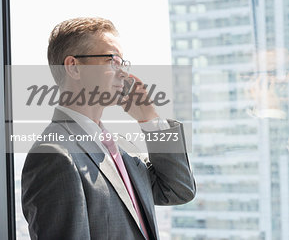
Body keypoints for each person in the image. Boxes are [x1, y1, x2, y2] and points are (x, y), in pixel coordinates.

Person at [21, 17, 196, 240]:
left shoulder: (123, 147)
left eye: (123, 63)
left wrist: (150, 120)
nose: (123, 73)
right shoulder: (54, 154)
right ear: (73, 67)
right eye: (112, 61)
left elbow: (178, 190)